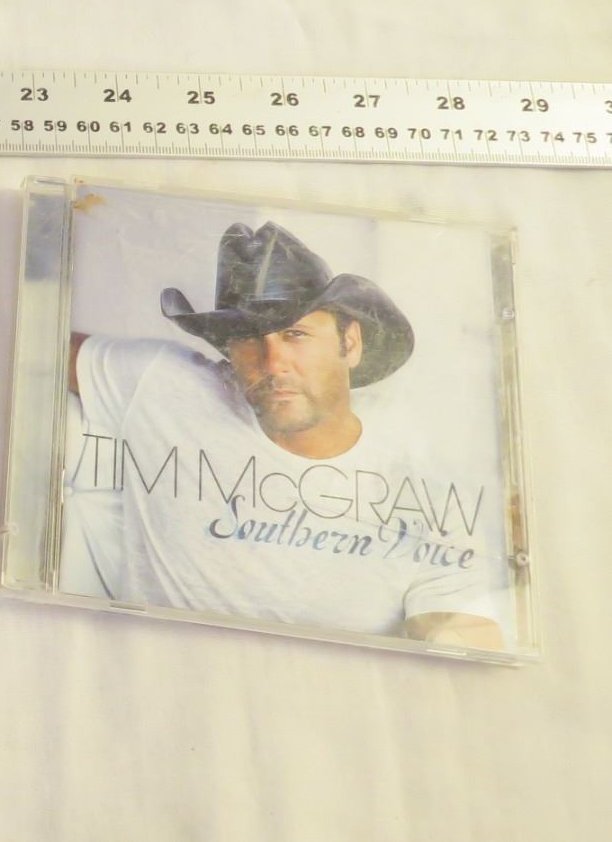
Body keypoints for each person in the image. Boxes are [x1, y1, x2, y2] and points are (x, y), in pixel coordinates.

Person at [67, 220, 503, 648]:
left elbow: (462, 638)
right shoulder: (161, 384)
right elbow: (39, 340)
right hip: (156, 672)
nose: (273, 363)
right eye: (248, 338)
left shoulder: (429, 496)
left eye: (295, 334)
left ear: (350, 344)